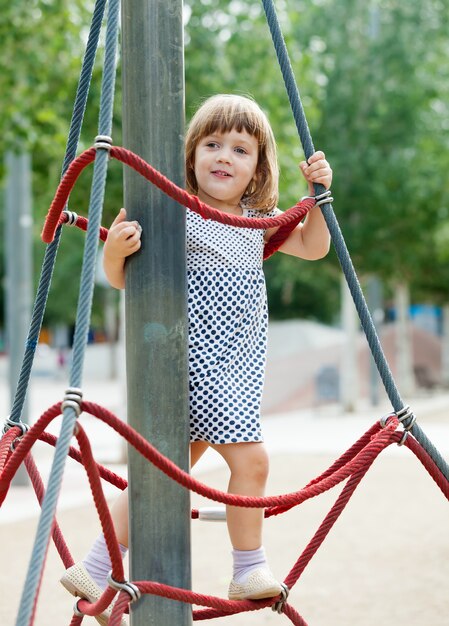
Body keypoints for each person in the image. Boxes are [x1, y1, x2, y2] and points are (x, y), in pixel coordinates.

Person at [60, 94, 332, 623]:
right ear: (191, 156)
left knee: (167, 470)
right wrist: (116, 249)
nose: (223, 156)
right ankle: (248, 566)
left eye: (239, 148)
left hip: (238, 363)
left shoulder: (258, 219)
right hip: (197, 361)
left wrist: (318, 195)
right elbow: (121, 279)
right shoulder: (177, 209)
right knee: (252, 461)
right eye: (211, 144)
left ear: (258, 167)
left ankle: (96, 566)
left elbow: (313, 246)